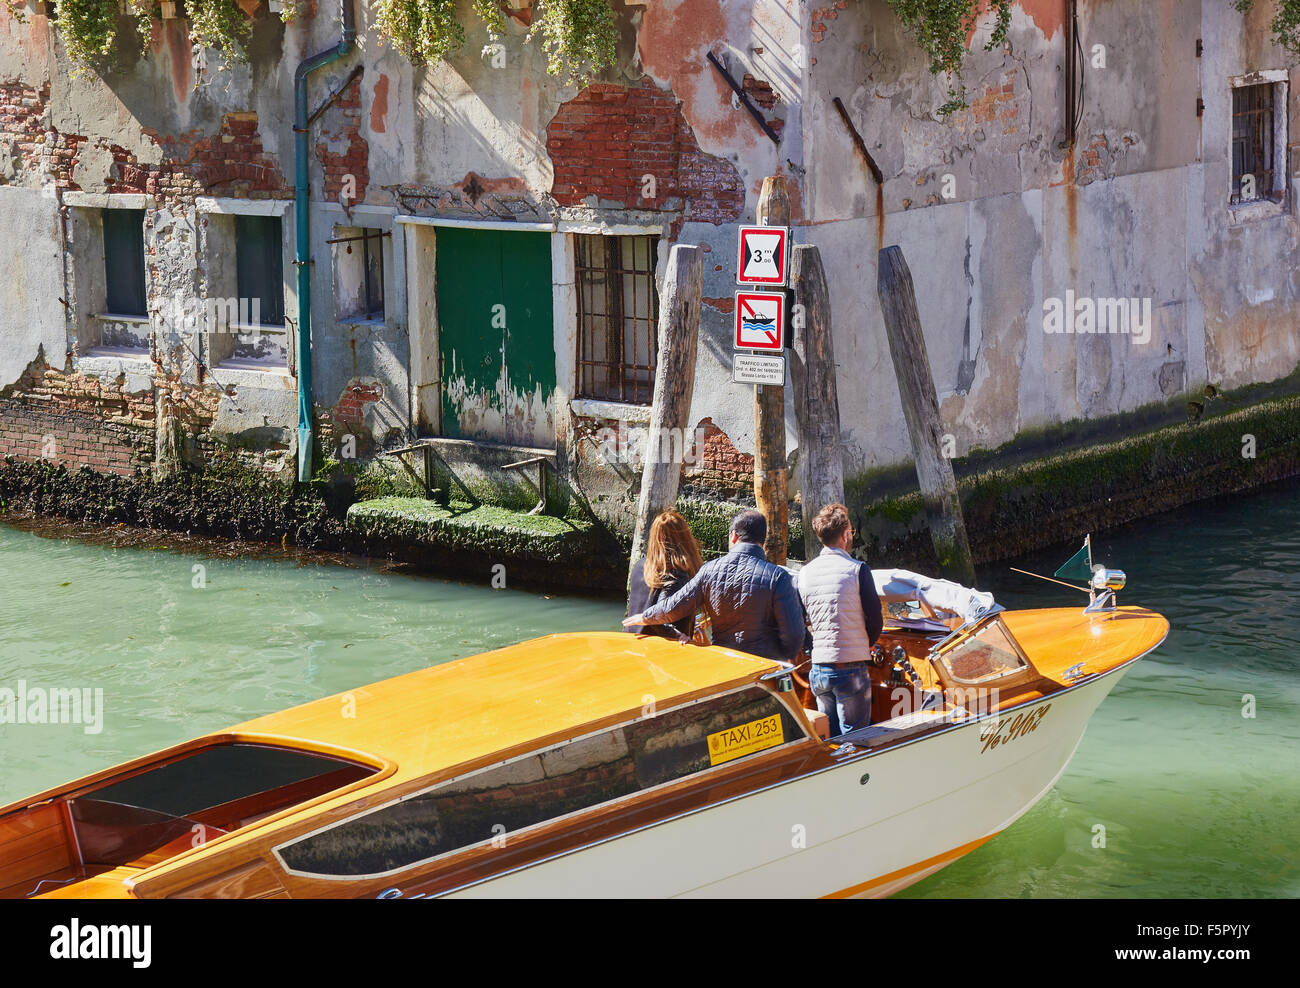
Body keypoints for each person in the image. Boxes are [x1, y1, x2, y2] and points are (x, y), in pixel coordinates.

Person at [623, 509, 804, 662]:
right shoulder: (779, 577)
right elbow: (794, 635)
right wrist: (783, 655)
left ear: (733, 536)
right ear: (763, 540)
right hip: (762, 663)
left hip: (723, 658)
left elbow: (675, 606)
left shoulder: (709, 570)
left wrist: (645, 617)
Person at [797, 503, 884, 737]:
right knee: (855, 740)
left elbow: (797, 622)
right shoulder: (857, 570)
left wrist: (811, 647)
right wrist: (867, 643)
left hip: (819, 668)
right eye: (851, 532)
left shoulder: (804, 573)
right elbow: (876, 618)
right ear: (845, 535)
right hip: (851, 667)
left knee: (830, 740)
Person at [625, 510, 704, 640]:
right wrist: (679, 635)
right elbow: (659, 617)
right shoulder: (676, 573)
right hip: (661, 647)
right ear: (685, 537)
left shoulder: (640, 565)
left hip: (632, 637)